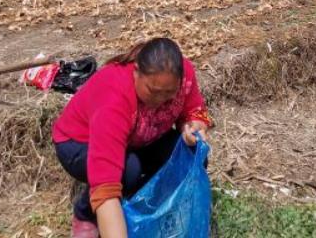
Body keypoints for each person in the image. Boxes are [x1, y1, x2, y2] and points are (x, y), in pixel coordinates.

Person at [52, 37, 213, 238]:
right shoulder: (114, 96)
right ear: (136, 72)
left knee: (189, 153)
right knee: (128, 171)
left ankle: (147, 204)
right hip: (78, 143)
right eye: (153, 91)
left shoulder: (184, 74)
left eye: (169, 93)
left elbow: (194, 110)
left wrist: (192, 128)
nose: (160, 99)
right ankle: (85, 214)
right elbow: (106, 186)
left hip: (137, 139)